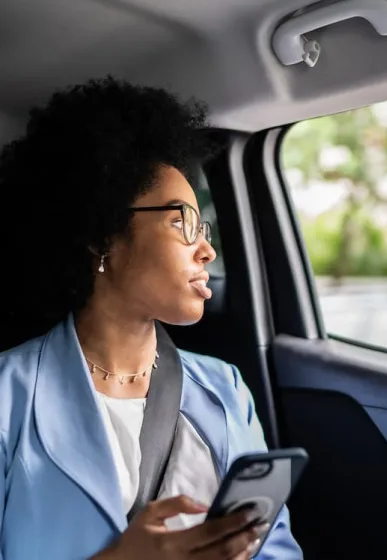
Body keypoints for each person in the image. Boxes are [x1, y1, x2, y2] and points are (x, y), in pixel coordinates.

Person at [0, 77, 302, 559]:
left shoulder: (226, 390)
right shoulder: (7, 396)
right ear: (102, 236)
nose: (206, 249)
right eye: (180, 221)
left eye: (202, 227)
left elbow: (278, 551)